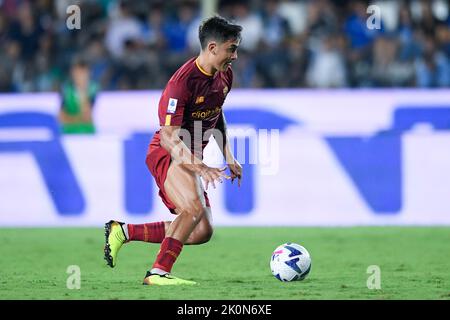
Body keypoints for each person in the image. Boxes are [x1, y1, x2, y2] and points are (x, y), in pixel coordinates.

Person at [104, 15, 243, 285]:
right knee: (192, 208)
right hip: (167, 152)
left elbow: (217, 114)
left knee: (201, 230)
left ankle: (123, 231)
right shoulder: (182, 83)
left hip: (190, 156)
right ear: (212, 48)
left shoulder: (225, 76)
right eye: (231, 49)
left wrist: (229, 155)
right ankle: (158, 272)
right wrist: (200, 166)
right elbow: (168, 137)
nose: (235, 56)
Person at [59, 57, 98, 134]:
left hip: (87, 133)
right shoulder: (66, 89)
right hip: (68, 133)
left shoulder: (93, 89)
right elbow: (61, 118)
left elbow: (87, 116)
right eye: (76, 72)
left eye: (82, 73)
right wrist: (77, 119)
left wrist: (83, 91)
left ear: (88, 73)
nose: (79, 76)